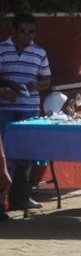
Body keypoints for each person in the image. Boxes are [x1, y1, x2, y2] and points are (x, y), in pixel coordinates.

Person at [0, 13, 51, 212]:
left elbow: (47, 80)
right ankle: (3, 200)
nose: (28, 36)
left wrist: (36, 85)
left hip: (29, 108)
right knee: (7, 157)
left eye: (32, 32)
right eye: (24, 31)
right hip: (5, 108)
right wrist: (4, 90)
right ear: (13, 30)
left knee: (27, 156)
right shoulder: (2, 50)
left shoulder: (39, 52)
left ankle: (22, 198)